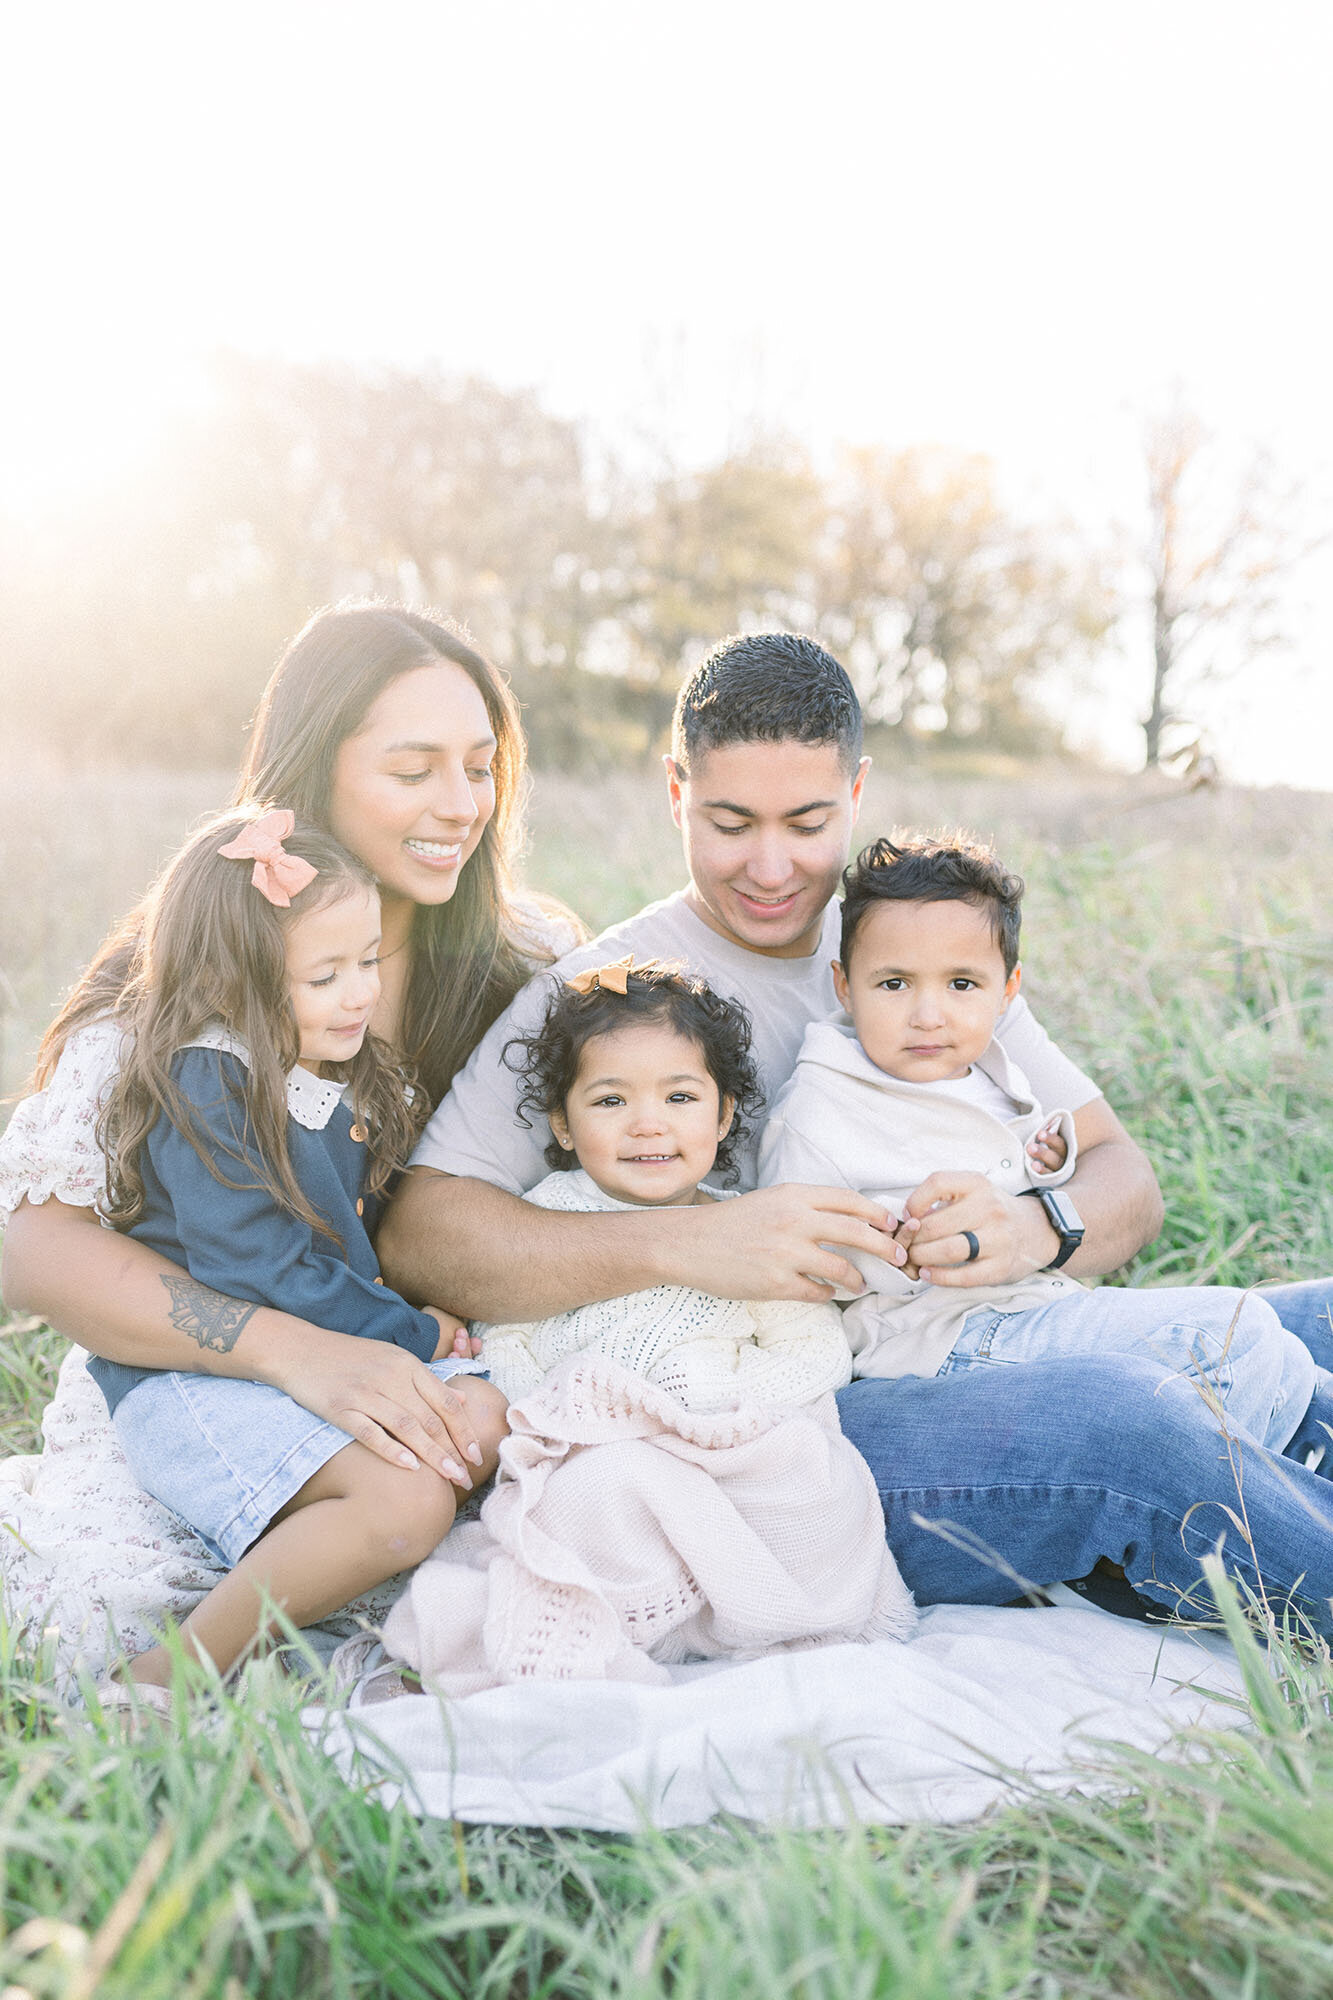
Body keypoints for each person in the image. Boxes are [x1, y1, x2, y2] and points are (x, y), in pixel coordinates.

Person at [382, 630, 1333, 1634]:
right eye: (729, 820)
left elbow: (1122, 1178)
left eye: (806, 820)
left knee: (1311, 1316)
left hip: (997, 1321)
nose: (770, 863)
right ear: (674, 789)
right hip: (806, 1418)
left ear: (857, 787)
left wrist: (1036, 1226)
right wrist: (695, 1240)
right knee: (1131, 1426)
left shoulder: (918, 948)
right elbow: (419, 1234)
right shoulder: (610, 993)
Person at [0, 605, 572, 1672]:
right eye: (413, 770)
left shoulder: (526, 960)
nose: (461, 805)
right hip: (216, 1368)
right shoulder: (195, 987)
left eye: (480, 765)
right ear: (317, 772)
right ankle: (170, 1678)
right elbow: (34, 1247)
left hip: (419, 1357)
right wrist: (294, 1349)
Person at [85, 808, 508, 1706]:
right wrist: (412, 1334)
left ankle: (334, 1592)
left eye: (366, 964)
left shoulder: (314, 1062)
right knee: (410, 1500)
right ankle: (168, 1679)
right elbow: (260, 1271)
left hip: (301, 1357)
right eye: (325, 975)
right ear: (225, 983)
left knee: (481, 1428)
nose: (358, 994)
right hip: (197, 1377)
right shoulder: (214, 1079)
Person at [759, 832, 1327, 1453]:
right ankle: (1259, 1494)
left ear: (1008, 989)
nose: (928, 1014)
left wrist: (1049, 1169)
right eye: (894, 984)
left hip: (1035, 1304)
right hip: (940, 1341)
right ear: (844, 986)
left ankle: (1272, 1471)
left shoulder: (988, 1069)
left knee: (1286, 1352)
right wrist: (892, 1245)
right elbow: (791, 1268)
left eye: (962, 984)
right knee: (1236, 1339)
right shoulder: (820, 1107)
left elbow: (1070, 1177)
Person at [478, 959, 853, 1410]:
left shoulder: (750, 1230)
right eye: (611, 1100)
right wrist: (553, 1413)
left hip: (719, 1442)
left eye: (679, 1097)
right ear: (563, 1124)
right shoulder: (546, 1216)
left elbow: (816, 1351)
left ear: (723, 1116)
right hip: (580, 1441)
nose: (648, 1125)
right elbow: (498, 1338)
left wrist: (721, 1405)